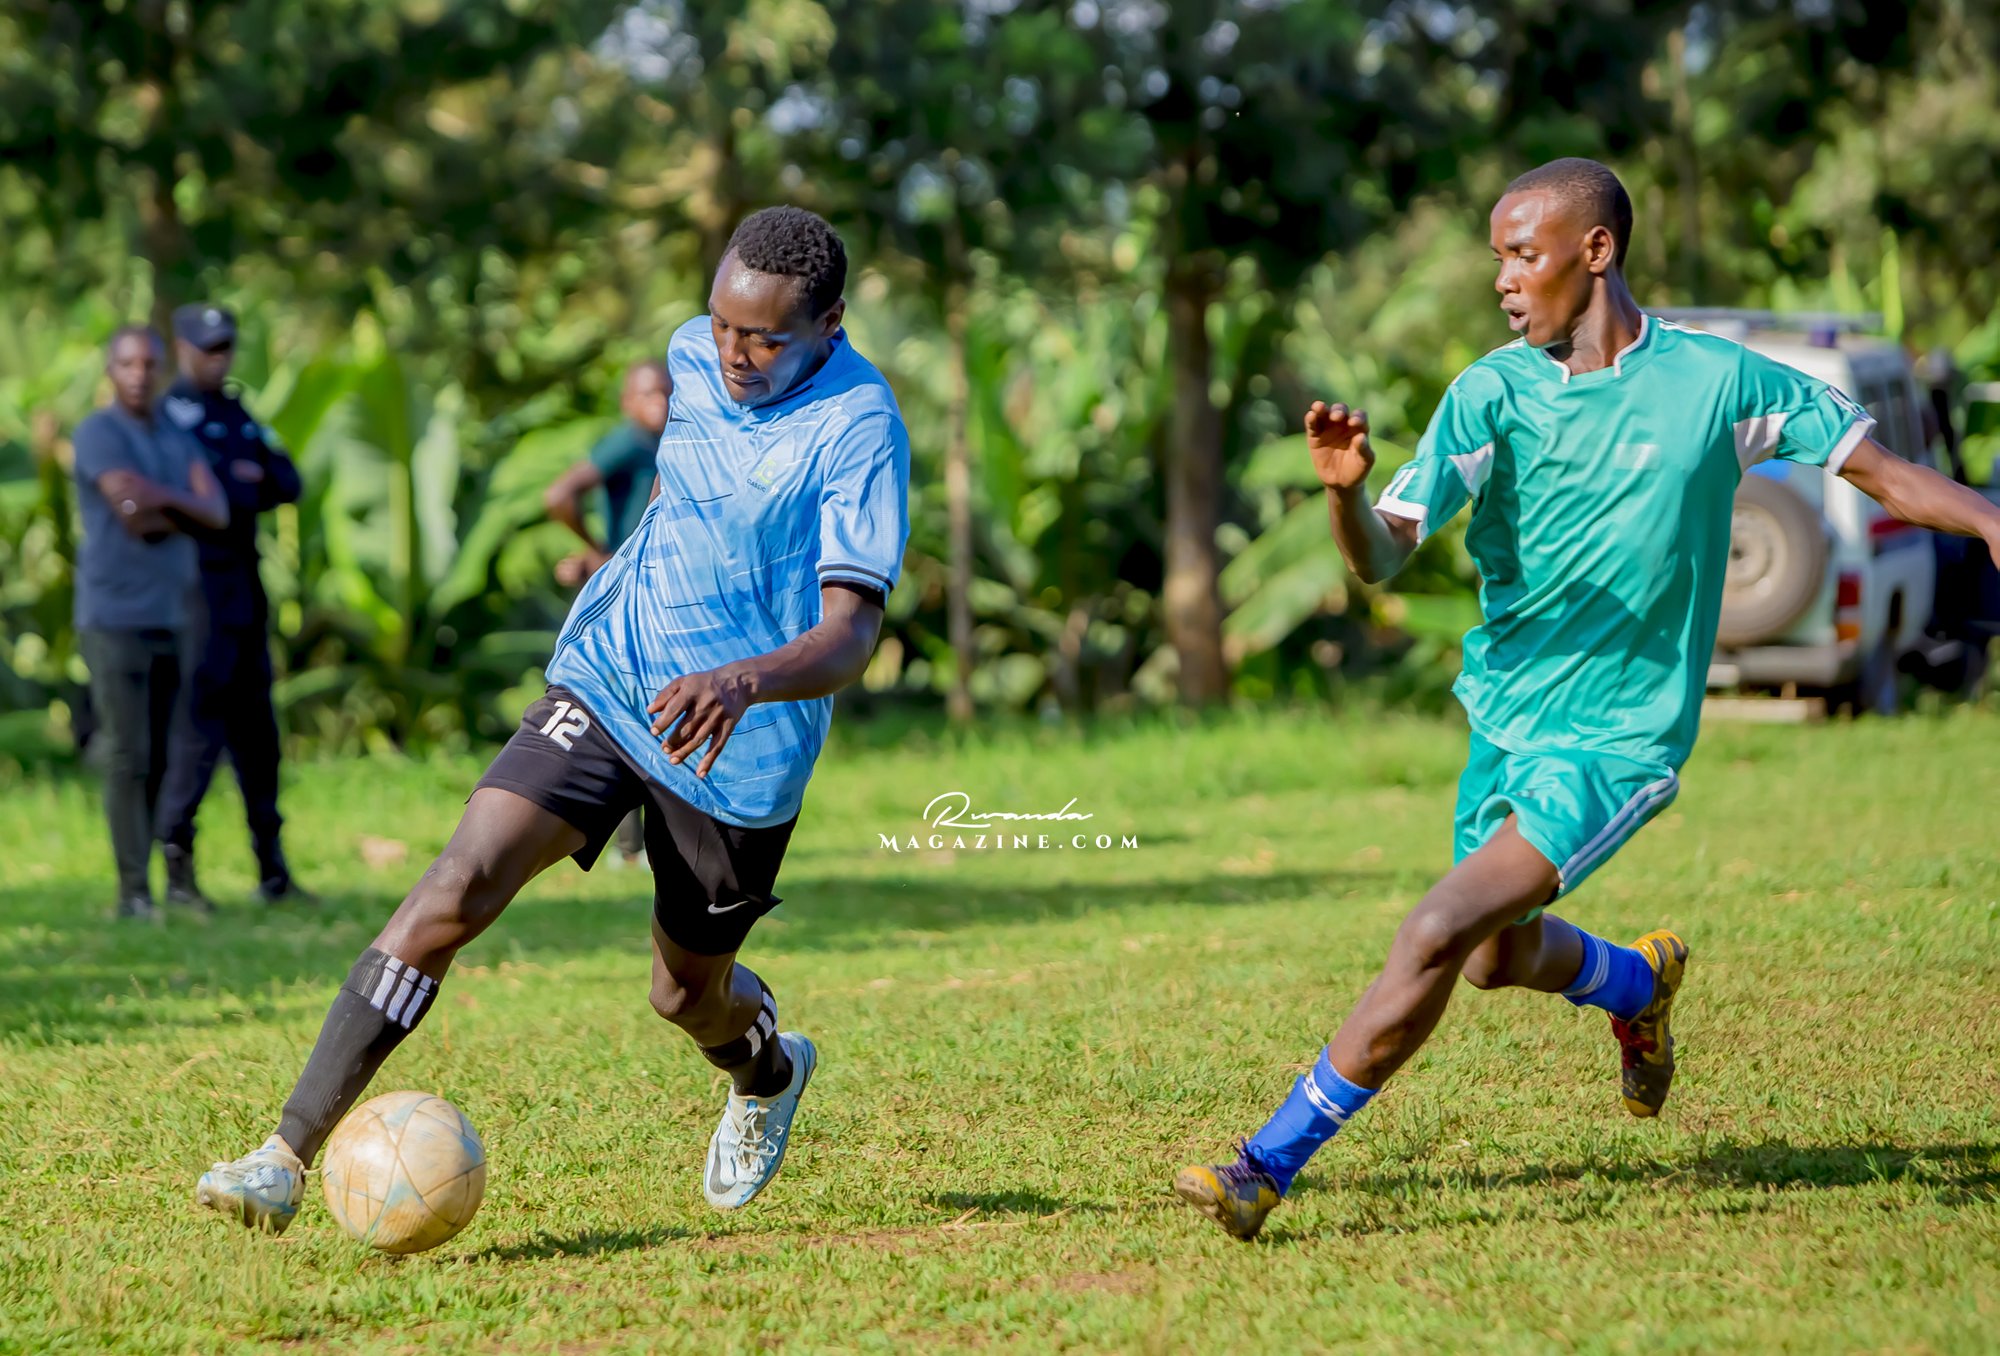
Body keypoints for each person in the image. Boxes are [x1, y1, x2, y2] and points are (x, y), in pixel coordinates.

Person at [1173, 159, 2000, 1241]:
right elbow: (1381, 556)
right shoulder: (1490, 394)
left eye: (1523, 254)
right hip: (1505, 722)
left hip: (1618, 740)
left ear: (1594, 250)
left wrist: (1989, 521)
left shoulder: (1719, 383)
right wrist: (1343, 497)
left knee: (1436, 927)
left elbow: (1881, 472)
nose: (1503, 280)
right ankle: (1636, 983)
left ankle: (1262, 1166)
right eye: (1497, 259)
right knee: (1491, 957)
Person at [195, 206, 911, 1233]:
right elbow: (684, 480)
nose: (731, 353)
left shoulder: (859, 428)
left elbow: (850, 635)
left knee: (685, 996)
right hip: (612, 678)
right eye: (721, 325)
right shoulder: (690, 356)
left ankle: (767, 1071)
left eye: (763, 339)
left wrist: (740, 679)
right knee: (456, 886)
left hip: (739, 746)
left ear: (830, 323)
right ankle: (281, 1157)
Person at [153, 303, 311, 909]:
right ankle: (177, 864)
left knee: (258, 734)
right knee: (199, 729)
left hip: (245, 591)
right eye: (208, 348)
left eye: (225, 348)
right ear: (182, 349)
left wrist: (237, 482)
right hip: (195, 592)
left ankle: (273, 869)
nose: (218, 359)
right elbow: (216, 496)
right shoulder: (170, 416)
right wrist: (238, 482)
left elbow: (285, 481)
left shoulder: (237, 409)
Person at [71, 326, 228, 920]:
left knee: (166, 753)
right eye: (128, 364)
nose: (139, 374)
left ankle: (170, 882)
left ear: (162, 370)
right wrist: (181, 505)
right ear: (111, 370)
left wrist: (161, 497)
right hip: (114, 616)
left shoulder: (174, 434)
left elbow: (216, 511)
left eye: (148, 364)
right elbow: (134, 516)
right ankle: (132, 890)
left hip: (173, 612)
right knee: (127, 753)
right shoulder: (98, 433)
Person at [543, 359, 673, 864]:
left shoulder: (668, 442)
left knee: (650, 712)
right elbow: (560, 494)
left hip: (656, 588)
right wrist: (600, 553)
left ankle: (636, 844)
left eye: (666, 392)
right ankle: (627, 843)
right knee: (629, 713)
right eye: (648, 394)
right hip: (630, 595)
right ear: (626, 402)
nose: (659, 403)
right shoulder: (630, 441)